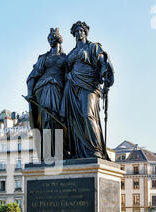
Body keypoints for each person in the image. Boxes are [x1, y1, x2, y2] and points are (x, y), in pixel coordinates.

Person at [61, 21, 114, 160]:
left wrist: (105, 74)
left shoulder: (93, 47)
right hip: (72, 86)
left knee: (87, 115)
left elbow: (103, 62)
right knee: (74, 121)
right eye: (76, 31)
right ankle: (79, 151)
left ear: (85, 32)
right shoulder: (71, 53)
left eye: (81, 31)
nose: (79, 33)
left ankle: (95, 148)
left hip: (89, 84)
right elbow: (65, 70)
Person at [25, 28, 68, 161]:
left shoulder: (65, 58)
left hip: (59, 89)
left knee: (57, 119)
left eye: (52, 39)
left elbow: (69, 76)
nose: (50, 41)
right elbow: (33, 75)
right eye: (49, 39)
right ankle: (47, 153)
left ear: (58, 40)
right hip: (43, 89)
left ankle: (59, 152)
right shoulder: (43, 58)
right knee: (46, 120)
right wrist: (29, 93)